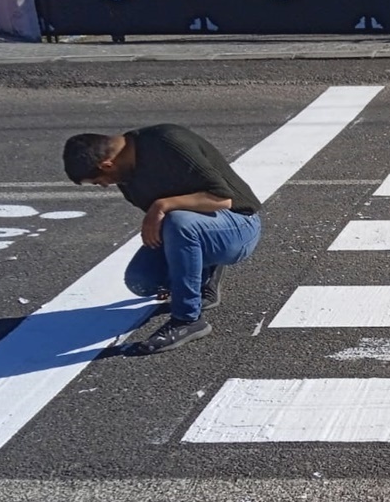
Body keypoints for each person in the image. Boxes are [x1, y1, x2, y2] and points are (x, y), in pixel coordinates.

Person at [62, 124, 262, 354]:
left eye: (100, 181)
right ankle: (204, 275)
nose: (106, 186)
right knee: (142, 280)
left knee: (179, 222)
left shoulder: (168, 141)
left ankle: (187, 319)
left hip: (238, 224)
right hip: (196, 229)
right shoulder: (128, 178)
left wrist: (162, 204)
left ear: (107, 164)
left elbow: (222, 199)